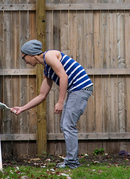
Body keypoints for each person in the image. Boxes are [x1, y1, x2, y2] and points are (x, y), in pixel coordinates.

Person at [11, 40, 93, 169]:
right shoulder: (47, 70)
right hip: (75, 90)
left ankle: (72, 163)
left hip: (80, 88)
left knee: (67, 125)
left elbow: (64, 77)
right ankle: (71, 161)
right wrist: (22, 108)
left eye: (24, 57)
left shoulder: (49, 55)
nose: (25, 61)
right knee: (66, 125)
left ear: (31, 54)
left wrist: (60, 102)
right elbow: (42, 95)